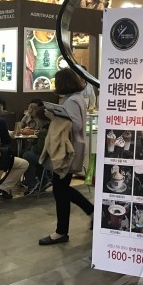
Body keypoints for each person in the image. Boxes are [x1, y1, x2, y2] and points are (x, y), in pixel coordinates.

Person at [38, 68, 93, 246]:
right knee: (61, 188)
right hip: (70, 148)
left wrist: (54, 116)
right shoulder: (75, 98)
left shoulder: (72, 101)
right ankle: (91, 212)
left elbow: (75, 125)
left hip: (68, 149)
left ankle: (62, 231)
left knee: (60, 189)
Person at [22, 103, 52, 196]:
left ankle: (32, 184)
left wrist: (31, 148)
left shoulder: (44, 131)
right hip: (54, 155)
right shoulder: (53, 127)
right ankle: (44, 180)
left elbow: (39, 149)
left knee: (27, 156)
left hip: (48, 158)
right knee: (30, 156)